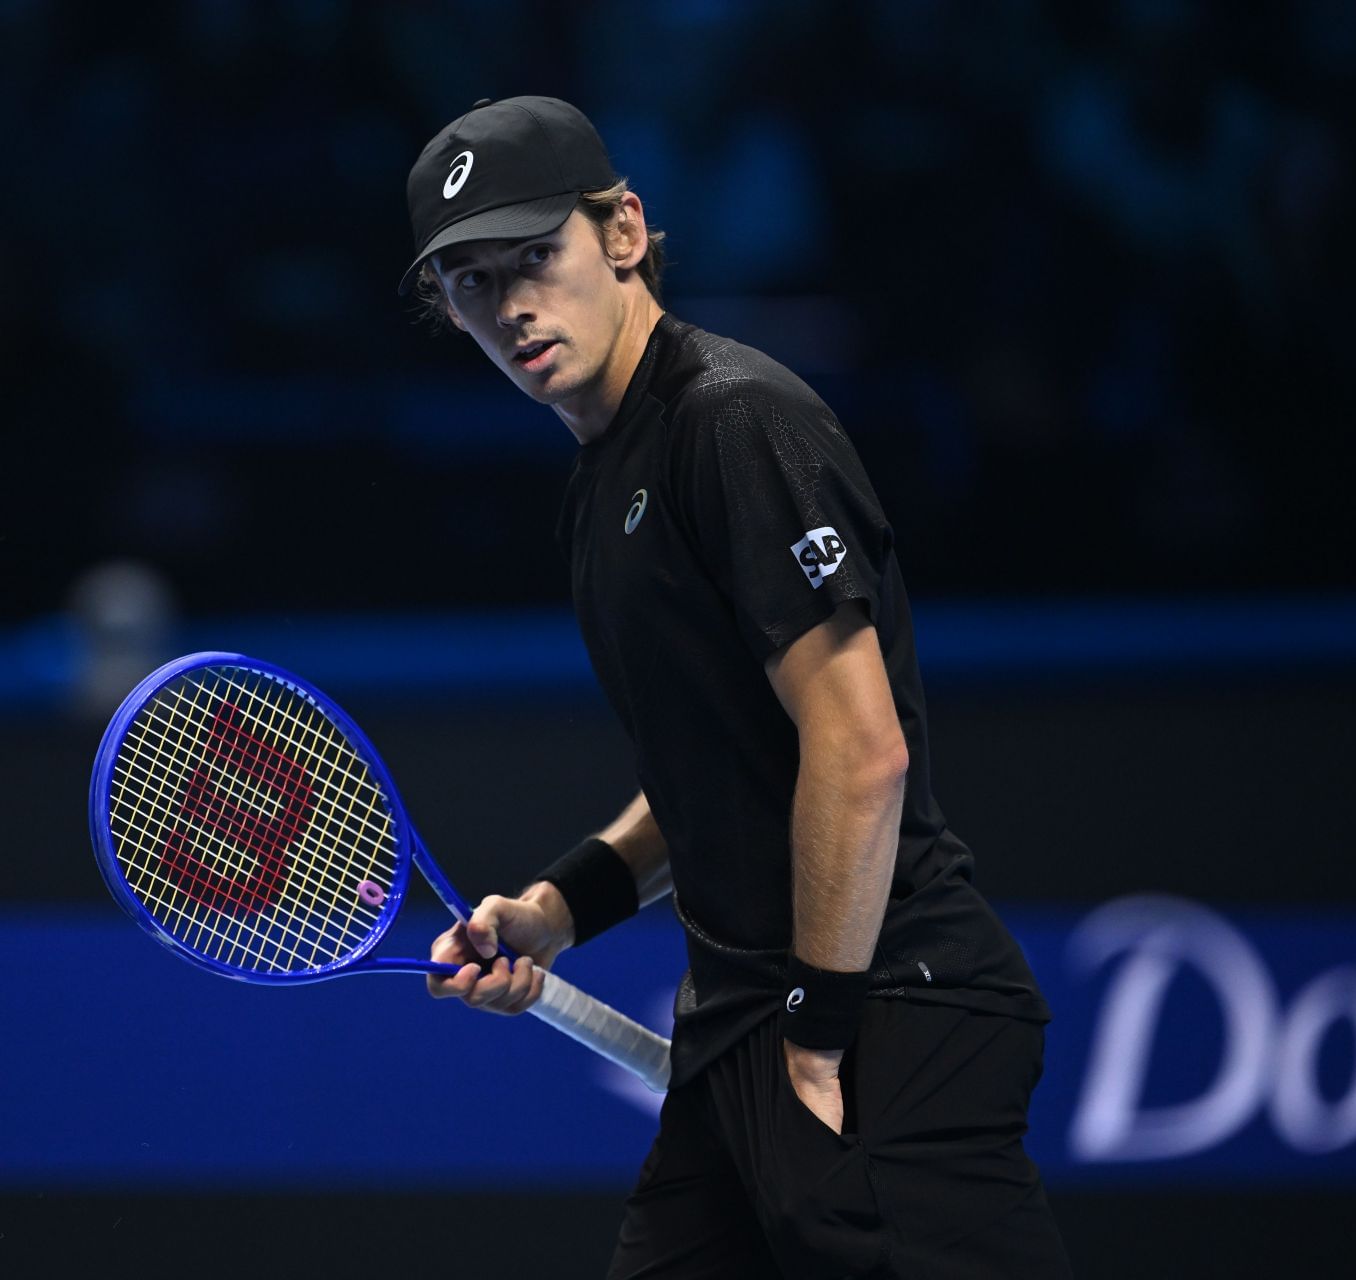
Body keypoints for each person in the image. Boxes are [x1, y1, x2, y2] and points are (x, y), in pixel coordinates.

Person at [398, 96, 1072, 1278]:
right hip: (747, 1031)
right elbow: (723, 769)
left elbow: (860, 751)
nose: (510, 306)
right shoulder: (602, 486)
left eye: (534, 258)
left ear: (622, 232)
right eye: (470, 282)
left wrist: (817, 1037)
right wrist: (555, 911)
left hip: (883, 1013)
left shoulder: (732, 419)